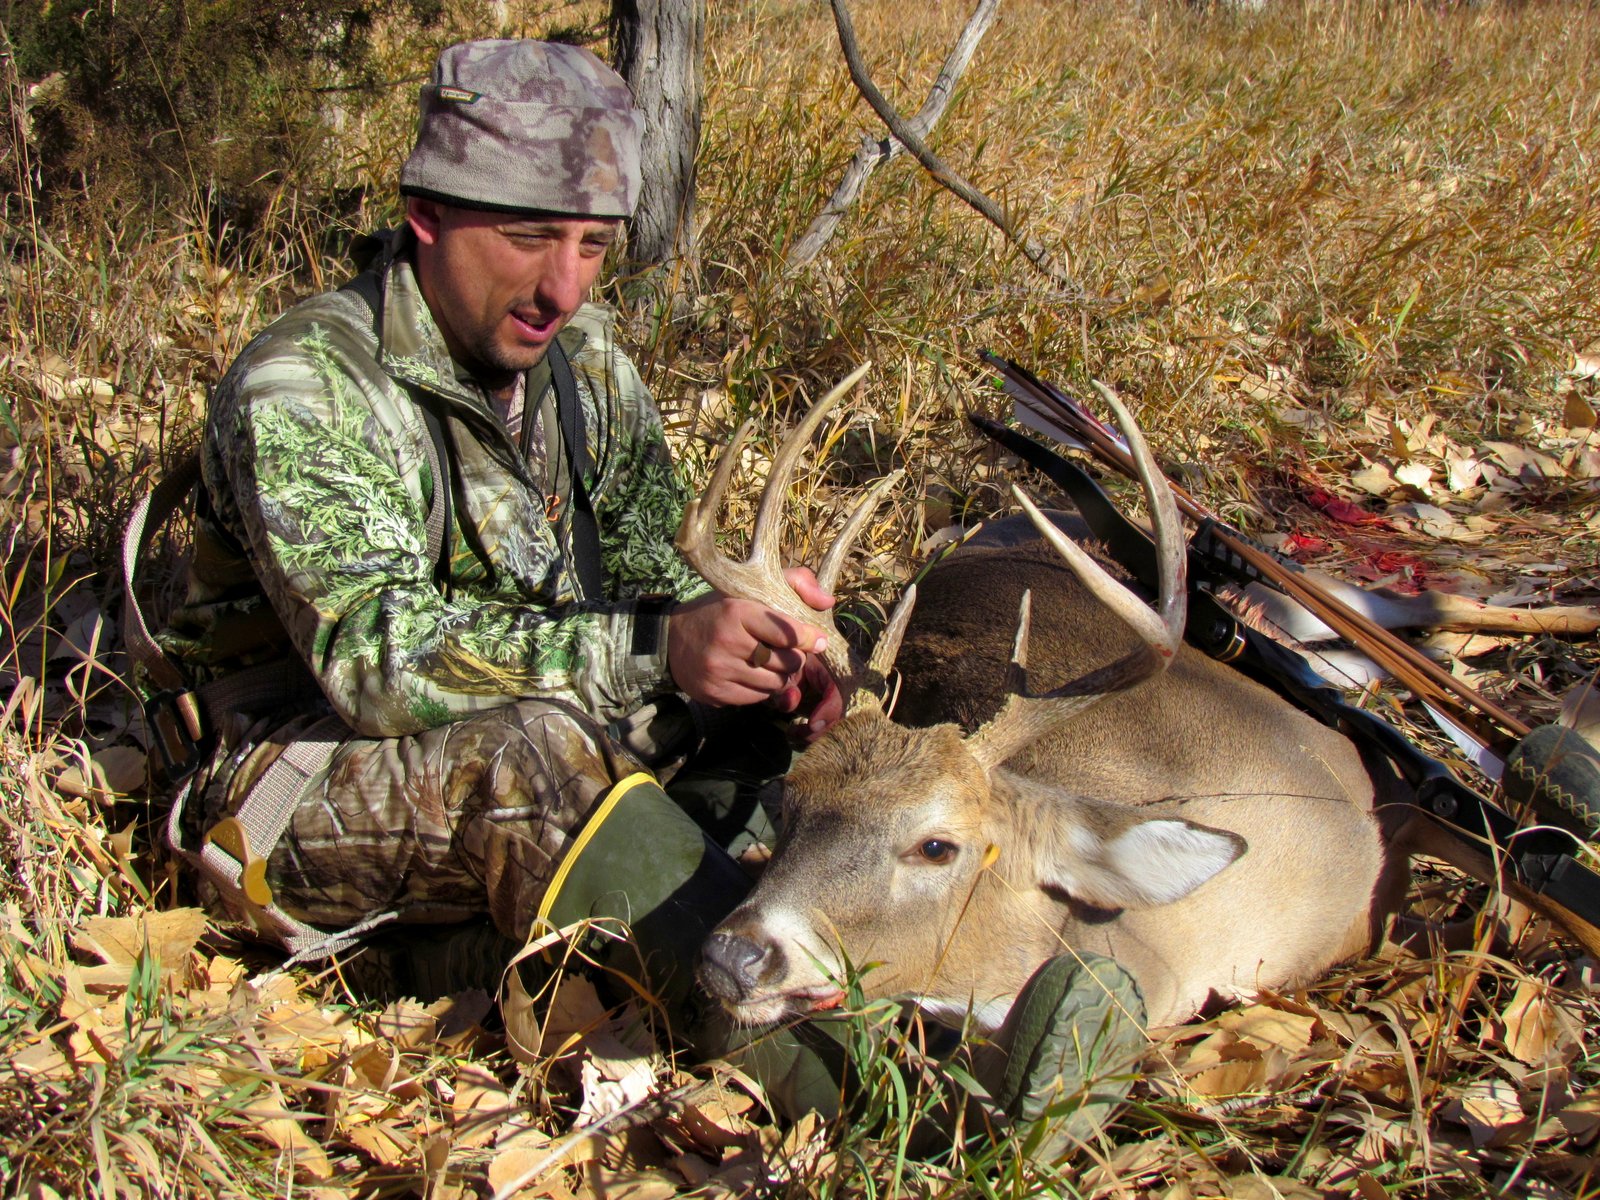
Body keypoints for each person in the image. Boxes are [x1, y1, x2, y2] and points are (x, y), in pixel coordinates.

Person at [134, 37, 1147, 1153]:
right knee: (535, 760)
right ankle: (901, 1101)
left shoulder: (583, 362)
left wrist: (769, 646)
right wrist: (660, 651)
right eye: (527, 237)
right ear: (424, 215)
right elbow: (377, 662)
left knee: (807, 717)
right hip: (285, 780)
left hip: (545, 738)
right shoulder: (310, 386)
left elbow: (655, 567)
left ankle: (509, 956)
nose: (561, 286)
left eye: (591, 245)